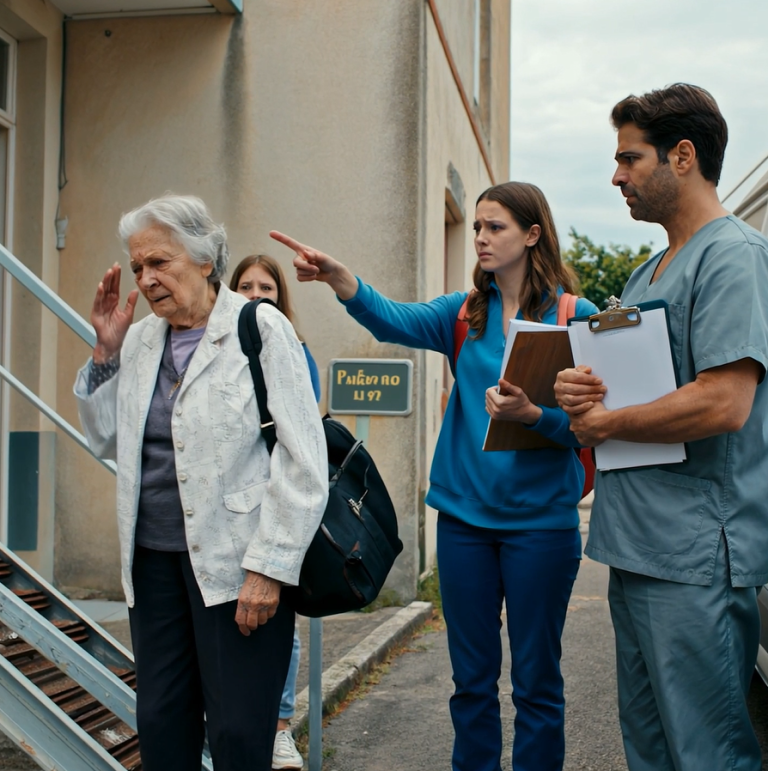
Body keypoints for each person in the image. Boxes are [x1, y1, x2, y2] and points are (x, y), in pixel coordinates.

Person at [270, 181, 599, 771]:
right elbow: (391, 320)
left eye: (494, 227)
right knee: (470, 682)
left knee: (537, 684)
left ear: (532, 234)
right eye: (476, 226)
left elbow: (593, 426)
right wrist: (342, 279)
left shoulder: (580, 319)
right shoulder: (464, 313)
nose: (480, 238)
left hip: (542, 528)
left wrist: (535, 417)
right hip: (465, 524)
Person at [554, 84, 768, 771]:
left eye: (628, 158)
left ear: (682, 156)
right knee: (650, 751)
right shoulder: (647, 273)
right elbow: (627, 390)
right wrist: (577, 392)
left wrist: (610, 420)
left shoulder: (733, 255)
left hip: (694, 558)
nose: (615, 176)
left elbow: (724, 401)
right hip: (637, 547)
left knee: (706, 753)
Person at [73, 194, 328, 771]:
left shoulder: (258, 327)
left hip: (240, 567)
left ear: (206, 259)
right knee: (163, 725)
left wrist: (269, 566)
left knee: (239, 732)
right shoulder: (140, 340)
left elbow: (304, 460)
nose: (146, 277)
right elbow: (107, 440)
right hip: (153, 562)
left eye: (160, 262)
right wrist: (105, 353)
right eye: (138, 267)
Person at [230, 253, 319, 771]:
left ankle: (280, 728)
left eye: (267, 287)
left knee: (277, 619)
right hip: (226, 508)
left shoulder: (292, 348)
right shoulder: (217, 348)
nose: (257, 295)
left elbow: (303, 431)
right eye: (246, 285)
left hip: (277, 503)